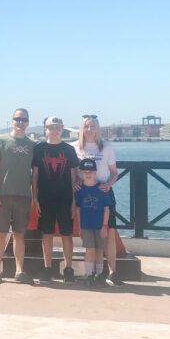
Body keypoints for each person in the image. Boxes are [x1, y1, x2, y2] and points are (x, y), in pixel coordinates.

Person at [0, 108, 35, 285]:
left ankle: (19, 271)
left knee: (19, 235)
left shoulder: (32, 145)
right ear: (12, 121)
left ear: (28, 122)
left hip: (23, 196)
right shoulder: (0, 140)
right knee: (0, 234)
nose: (21, 122)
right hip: (3, 196)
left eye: (24, 119)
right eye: (18, 119)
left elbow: (35, 173)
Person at [75, 115, 123, 286]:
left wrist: (108, 184)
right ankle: (92, 273)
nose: (89, 129)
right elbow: (73, 172)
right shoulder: (76, 147)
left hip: (103, 194)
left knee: (109, 233)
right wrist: (75, 184)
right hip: (85, 196)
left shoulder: (107, 148)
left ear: (98, 128)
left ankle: (112, 272)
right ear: (82, 128)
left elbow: (114, 172)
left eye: (93, 126)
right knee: (89, 238)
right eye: (86, 126)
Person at [31, 116, 79, 283]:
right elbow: (35, 175)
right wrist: (34, 198)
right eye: (51, 127)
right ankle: (47, 268)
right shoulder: (39, 149)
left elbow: (74, 175)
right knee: (47, 234)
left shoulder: (69, 150)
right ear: (46, 129)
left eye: (58, 127)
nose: (54, 130)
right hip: (45, 198)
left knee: (67, 234)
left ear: (62, 129)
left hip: (65, 198)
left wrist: (74, 201)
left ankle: (68, 268)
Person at [74, 158, 110, 286]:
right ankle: (89, 275)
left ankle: (99, 275)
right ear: (81, 173)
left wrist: (105, 226)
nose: (88, 174)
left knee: (99, 250)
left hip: (100, 225)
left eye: (90, 171)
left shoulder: (102, 188)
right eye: (85, 172)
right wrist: (79, 227)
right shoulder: (79, 189)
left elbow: (107, 209)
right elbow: (78, 209)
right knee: (89, 249)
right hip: (86, 225)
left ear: (95, 172)